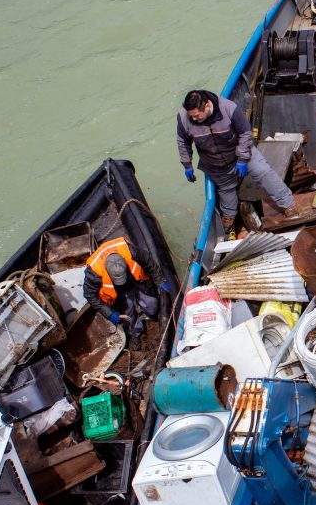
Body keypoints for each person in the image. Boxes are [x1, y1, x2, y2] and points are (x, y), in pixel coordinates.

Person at [176, 89, 296, 233]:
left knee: (263, 172)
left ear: (207, 105)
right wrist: (187, 164)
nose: (194, 119)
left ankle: (288, 203)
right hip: (214, 162)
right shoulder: (184, 117)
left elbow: (246, 133)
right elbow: (183, 141)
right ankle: (229, 217)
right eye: (191, 116)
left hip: (240, 152)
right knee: (226, 190)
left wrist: (243, 158)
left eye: (196, 116)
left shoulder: (228, 108)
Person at [83, 237, 169, 338]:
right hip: (118, 294)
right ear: (107, 271)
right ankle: (135, 333)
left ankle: (152, 316)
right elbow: (90, 295)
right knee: (128, 318)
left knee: (152, 304)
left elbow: (149, 263)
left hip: (137, 283)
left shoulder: (132, 252)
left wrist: (160, 281)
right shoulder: (94, 272)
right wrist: (109, 313)